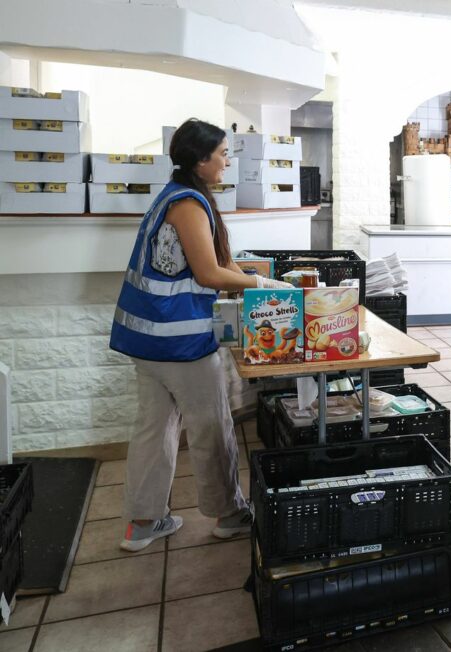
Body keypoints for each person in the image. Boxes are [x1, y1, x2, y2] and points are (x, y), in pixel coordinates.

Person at [109, 118, 293, 552]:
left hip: (147, 341)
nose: (228, 161)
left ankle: (142, 523)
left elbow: (198, 266)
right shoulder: (189, 204)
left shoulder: (167, 197)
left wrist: (245, 275)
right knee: (212, 427)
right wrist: (267, 286)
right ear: (200, 159)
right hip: (182, 342)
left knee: (154, 429)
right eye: (223, 154)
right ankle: (229, 515)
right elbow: (209, 274)